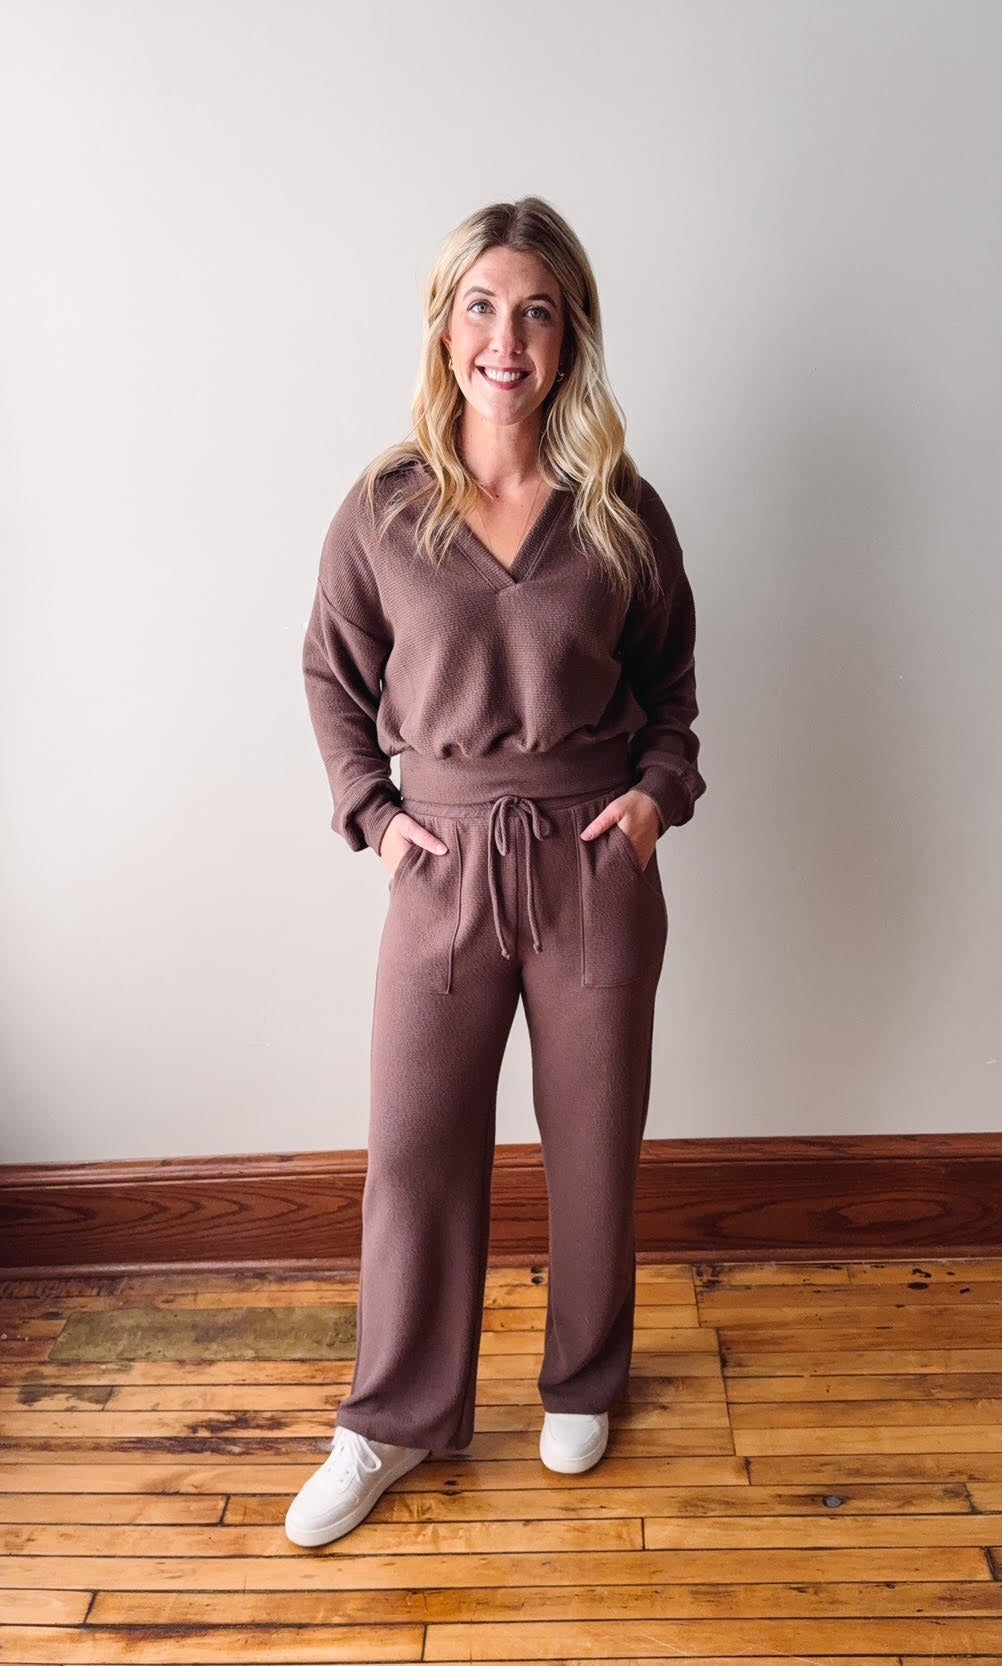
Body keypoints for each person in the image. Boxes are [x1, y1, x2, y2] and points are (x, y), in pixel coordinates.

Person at [287, 195, 706, 1548]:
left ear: (569, 331)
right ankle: (394, 1419)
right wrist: (370, 806)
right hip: (442, 859)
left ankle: (582, 1377)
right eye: (481, 305)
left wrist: (652, 799)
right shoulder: (384, 505)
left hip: (590, 859)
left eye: (534, 309)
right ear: (444, 325)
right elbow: (330, 672)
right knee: (413, 1150)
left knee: (592, 1143)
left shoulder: (619, 510)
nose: (503, 336)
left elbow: (669, 695)